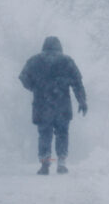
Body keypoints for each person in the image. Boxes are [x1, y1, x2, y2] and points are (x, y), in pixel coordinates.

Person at [19, 36, 87, 175]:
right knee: (62, 133)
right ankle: (61, 163)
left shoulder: (34, 61)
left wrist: (34, 87)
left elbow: (23, 77)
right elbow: (77, 83)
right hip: (62, 104)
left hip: (42, 104)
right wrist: (82, 101)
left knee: (44, 133)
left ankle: (45, 164)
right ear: (59, 46)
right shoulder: (67, 61)